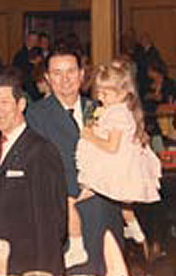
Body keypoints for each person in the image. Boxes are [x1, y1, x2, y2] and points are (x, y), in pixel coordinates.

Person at [26, 48, 124, 276]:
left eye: (71, 71)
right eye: (57, 73)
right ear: (47, 78)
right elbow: (40, 167)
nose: (65, 79)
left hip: (105, 212)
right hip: (66, 219)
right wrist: (81, 188)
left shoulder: (100, 108)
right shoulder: (35, 115)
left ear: (82, 74)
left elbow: (118, 155)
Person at [69, 61, 162, 265]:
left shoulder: (118, 113)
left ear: (122, 93)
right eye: (99, 92)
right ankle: (137, 235)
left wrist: (90, 136)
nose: (101, 97)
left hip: (113, 167)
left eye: (106, 93)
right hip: (114, 166)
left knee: (73, 203)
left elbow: (112, 147)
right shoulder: (115, 109)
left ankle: (77, 246)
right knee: (123, 203)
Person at [0, 72, 67, 276]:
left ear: (21, 104)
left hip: (28, 270)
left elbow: (51, 224)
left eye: (4, 102)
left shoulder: (40, 151)